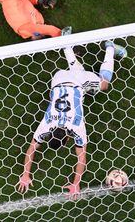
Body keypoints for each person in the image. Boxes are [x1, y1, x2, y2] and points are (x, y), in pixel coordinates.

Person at [17, 40, 127, 199]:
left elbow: (82, 157)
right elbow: (32, 148)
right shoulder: (47, 123)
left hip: (77, 82)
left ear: (68, 138)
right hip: (58, 78)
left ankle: (111, 48)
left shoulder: (77, 126)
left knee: (103, 84)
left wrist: (76, 184)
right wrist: (25, 174)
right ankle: (66, 44)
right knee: (79, 73)